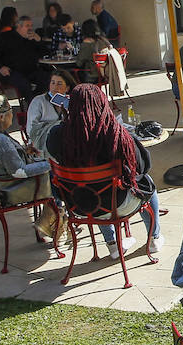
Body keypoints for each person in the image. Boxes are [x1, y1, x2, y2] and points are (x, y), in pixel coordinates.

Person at [45, 83, 163, 257]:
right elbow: (143, 166)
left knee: (91, 187)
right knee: (147, 183)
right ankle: (154, 237)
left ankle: (113, 244)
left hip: (80, 205)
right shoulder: (116, 134)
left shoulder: (57, 135)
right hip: (119, 204)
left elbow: (54, 152)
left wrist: (66, 121)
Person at [0, 93, 51, 205]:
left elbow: (5, 158)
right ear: (1, 117)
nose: (12, 114)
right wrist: (51, 165)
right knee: (56, 175)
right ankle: (51, 213)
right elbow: (19, 171)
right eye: (10, 110)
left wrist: (23, 151)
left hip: (0, 187)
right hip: (11, 190)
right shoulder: (0, 141)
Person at [0, 15, 49, 103]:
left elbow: (45, 53)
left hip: (30, 70)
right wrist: (0, 67)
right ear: (19, 27)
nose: (30, 28)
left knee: (47, 78)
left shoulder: (32, 38)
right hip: (11, 72)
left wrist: (39, 41)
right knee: (24, 84)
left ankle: (36, 100)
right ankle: (31, 107)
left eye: (31, 26)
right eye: (27, 26)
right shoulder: (6, 37)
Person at [26, 69, 76, 151]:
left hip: (66, 143)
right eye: (52, 83)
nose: (55, 87)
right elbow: (30, 129)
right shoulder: (38, 101)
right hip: (42, 143)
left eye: (59, 84)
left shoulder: (71, 102)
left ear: (67, 88)